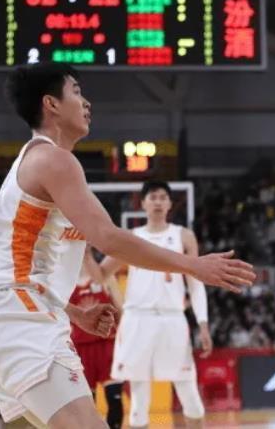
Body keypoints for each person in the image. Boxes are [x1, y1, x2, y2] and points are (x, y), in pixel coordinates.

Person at [0, 62, 255, 429]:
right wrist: (193, 265)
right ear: (51, 104)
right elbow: (109, 238)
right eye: (76, 92)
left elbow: (6, 268)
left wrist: (73, 312)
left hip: (11, 315)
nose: (86, 102)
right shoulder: (53, 160)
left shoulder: (36, 162)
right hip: (22, 320)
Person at [96, 180, 214, 429]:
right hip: (137, 319)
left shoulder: (183, 236)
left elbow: (195, 283)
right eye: (153, 197)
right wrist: (84, 254)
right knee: (139, 402)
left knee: (190, 395)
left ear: (170, 203)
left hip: (173, 318)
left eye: (163, 197)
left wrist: (203, 323)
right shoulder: (131, 238)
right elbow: (101, 274)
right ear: (143, 203)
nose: (158, 202)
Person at [68, 247, 125, 429]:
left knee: (114, 399)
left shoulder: (105, 278)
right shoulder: (65, 283)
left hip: (107, 345)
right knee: (87, 405)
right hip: (80, 348)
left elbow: (122, 310)